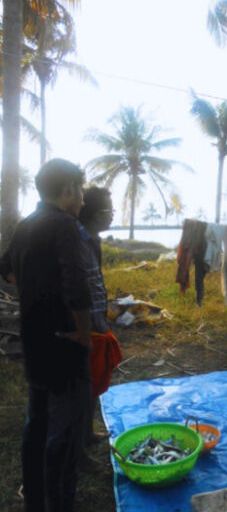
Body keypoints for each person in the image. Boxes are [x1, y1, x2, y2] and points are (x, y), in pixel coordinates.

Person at [0, 159, 118, 512]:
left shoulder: (27, 223)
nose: (83, 199)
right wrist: (84, 333)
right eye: (80, 191)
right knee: (62, 445)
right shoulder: (65, 225)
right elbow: (76, 286)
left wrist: (36, 298)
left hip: (35, 345)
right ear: (67, 190)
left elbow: (6, 271)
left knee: (36, 429)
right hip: (66, 345)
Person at [78, 187, 123, 448]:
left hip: (96, 320)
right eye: (108, 211)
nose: (112, 216)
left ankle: (87, 432)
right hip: (81, 324)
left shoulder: (93, 240)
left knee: (93, 382)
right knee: (81, 386)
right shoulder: (74, 241)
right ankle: (77, 445)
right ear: (93, 214)